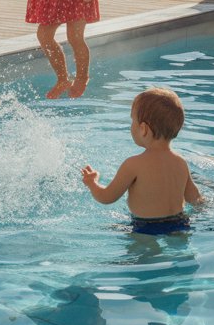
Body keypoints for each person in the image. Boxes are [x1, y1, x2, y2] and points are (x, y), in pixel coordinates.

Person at [81, 87, 202, 234]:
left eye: (133, 120)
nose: (131, 125)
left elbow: (107, 197)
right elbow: (195, 199)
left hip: (145, 228)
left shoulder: (133, 164)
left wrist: (92, 183)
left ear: (143, 129)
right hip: (180, 223)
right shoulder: (180, 162)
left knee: (145, 256)